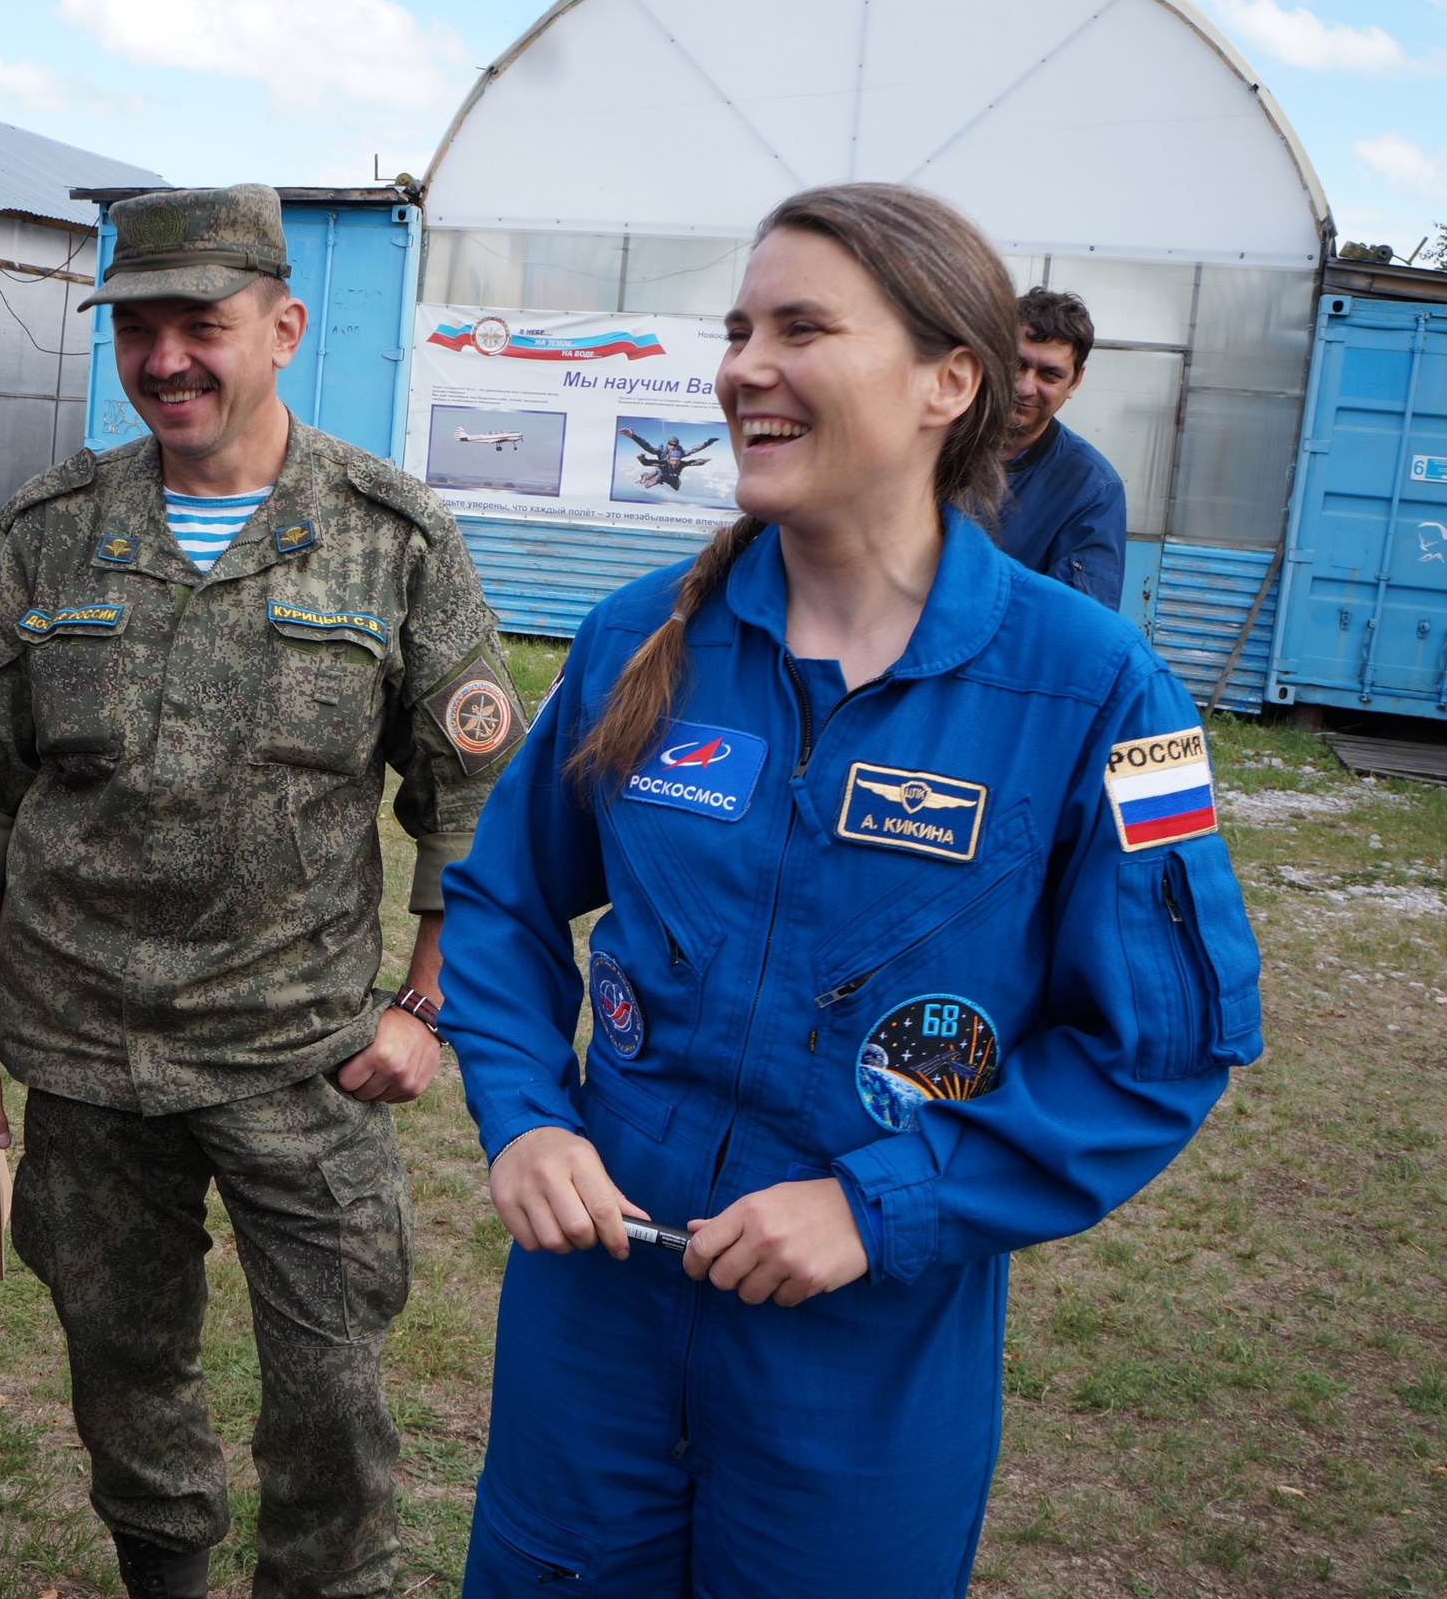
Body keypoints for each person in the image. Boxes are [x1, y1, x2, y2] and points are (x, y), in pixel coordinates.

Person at [439, 184, 1264, 1597]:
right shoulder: (640, 637)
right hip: (597, 1318)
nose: (744, 366)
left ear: (952, 382)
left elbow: (1165, 1046)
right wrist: (522, 1116)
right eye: (740, 328)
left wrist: (880, 1207)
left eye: (802, 328)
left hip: (864, 1355)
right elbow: (505, 905)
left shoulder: (1117, 695)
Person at [0, 184, 527, 1599]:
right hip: (83, 1051)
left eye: (203, 325)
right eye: (137, 327)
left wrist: (425, 1010)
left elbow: (470, 798)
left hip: (299, 1058)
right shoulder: (57, 532)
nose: (167, 359)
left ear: (285, 327)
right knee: (125, 1375)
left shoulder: (392, 535)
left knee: (331, 1394)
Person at [988, 286, 1127, 608]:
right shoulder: (932, 442)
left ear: (1075, 382)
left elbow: (1079, 620)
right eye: (1016, 364)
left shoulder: (1093, 489)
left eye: (1050, 375)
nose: (1024, 387)